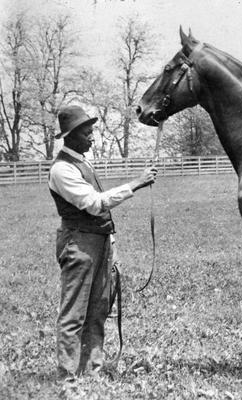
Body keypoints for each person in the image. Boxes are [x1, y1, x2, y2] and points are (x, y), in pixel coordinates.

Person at [48, 104, 157, 380]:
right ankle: (68, 377)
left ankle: (92, 370)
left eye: (92, 131)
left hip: (98, 243)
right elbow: (95, 204)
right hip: (78, 245)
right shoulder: (62, 170)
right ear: (71, 136)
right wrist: (135, 184)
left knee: (98, 309)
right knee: (74, 314)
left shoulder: (83, 162)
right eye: (87, 132)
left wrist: (111, 242)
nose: (92, 137)